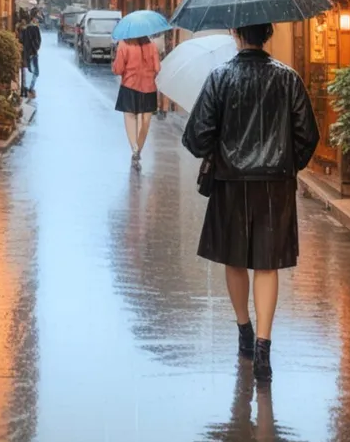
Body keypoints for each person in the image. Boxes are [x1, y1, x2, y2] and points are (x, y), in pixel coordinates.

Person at [182, 22, 319, 383]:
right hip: (275, 184)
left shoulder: (219, 77)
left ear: (236, 34)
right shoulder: (288, 78)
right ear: (268, 34)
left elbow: (196, 137)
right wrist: (286, 165)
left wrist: (220, 147)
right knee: (267, 264)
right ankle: (263, 346)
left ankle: (243, 328)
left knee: (235, 258)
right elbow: (308, 135)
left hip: (230, 182)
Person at [112, 35, 161, 167]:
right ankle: (139, 148)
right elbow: (157, 68)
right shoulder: (152, 46)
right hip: (148, 88)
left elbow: (118, 69)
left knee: (130, 117)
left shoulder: (124, 44)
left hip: (129, 87)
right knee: (145, 121)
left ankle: (134, 149)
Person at [23, 10, 42, 100]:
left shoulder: (25, 28)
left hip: (28, 52)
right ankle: (29, 89)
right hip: (32, 52)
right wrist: (34, 50)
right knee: (35, 72)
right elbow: (37, 41)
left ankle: (28, 89)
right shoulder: (34, 28)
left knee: (30, 70)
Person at [16, 10, 30, 97]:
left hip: (22, 52)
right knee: (22, 71)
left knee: (22, 71)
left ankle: (22, 88)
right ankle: (23, 88)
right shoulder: (26, 30)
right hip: (23, 53)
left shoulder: (21, 30)